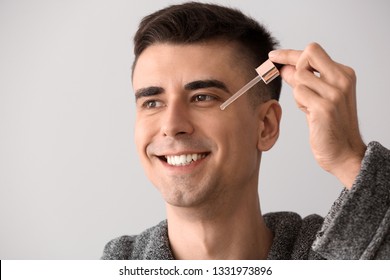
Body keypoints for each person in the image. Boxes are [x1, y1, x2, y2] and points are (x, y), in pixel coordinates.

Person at [101, 2, 390, 259]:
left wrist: (349, 160)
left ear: (265, 126)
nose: (172, 126)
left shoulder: (341, 256)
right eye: (152, 102)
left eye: (203, 97)